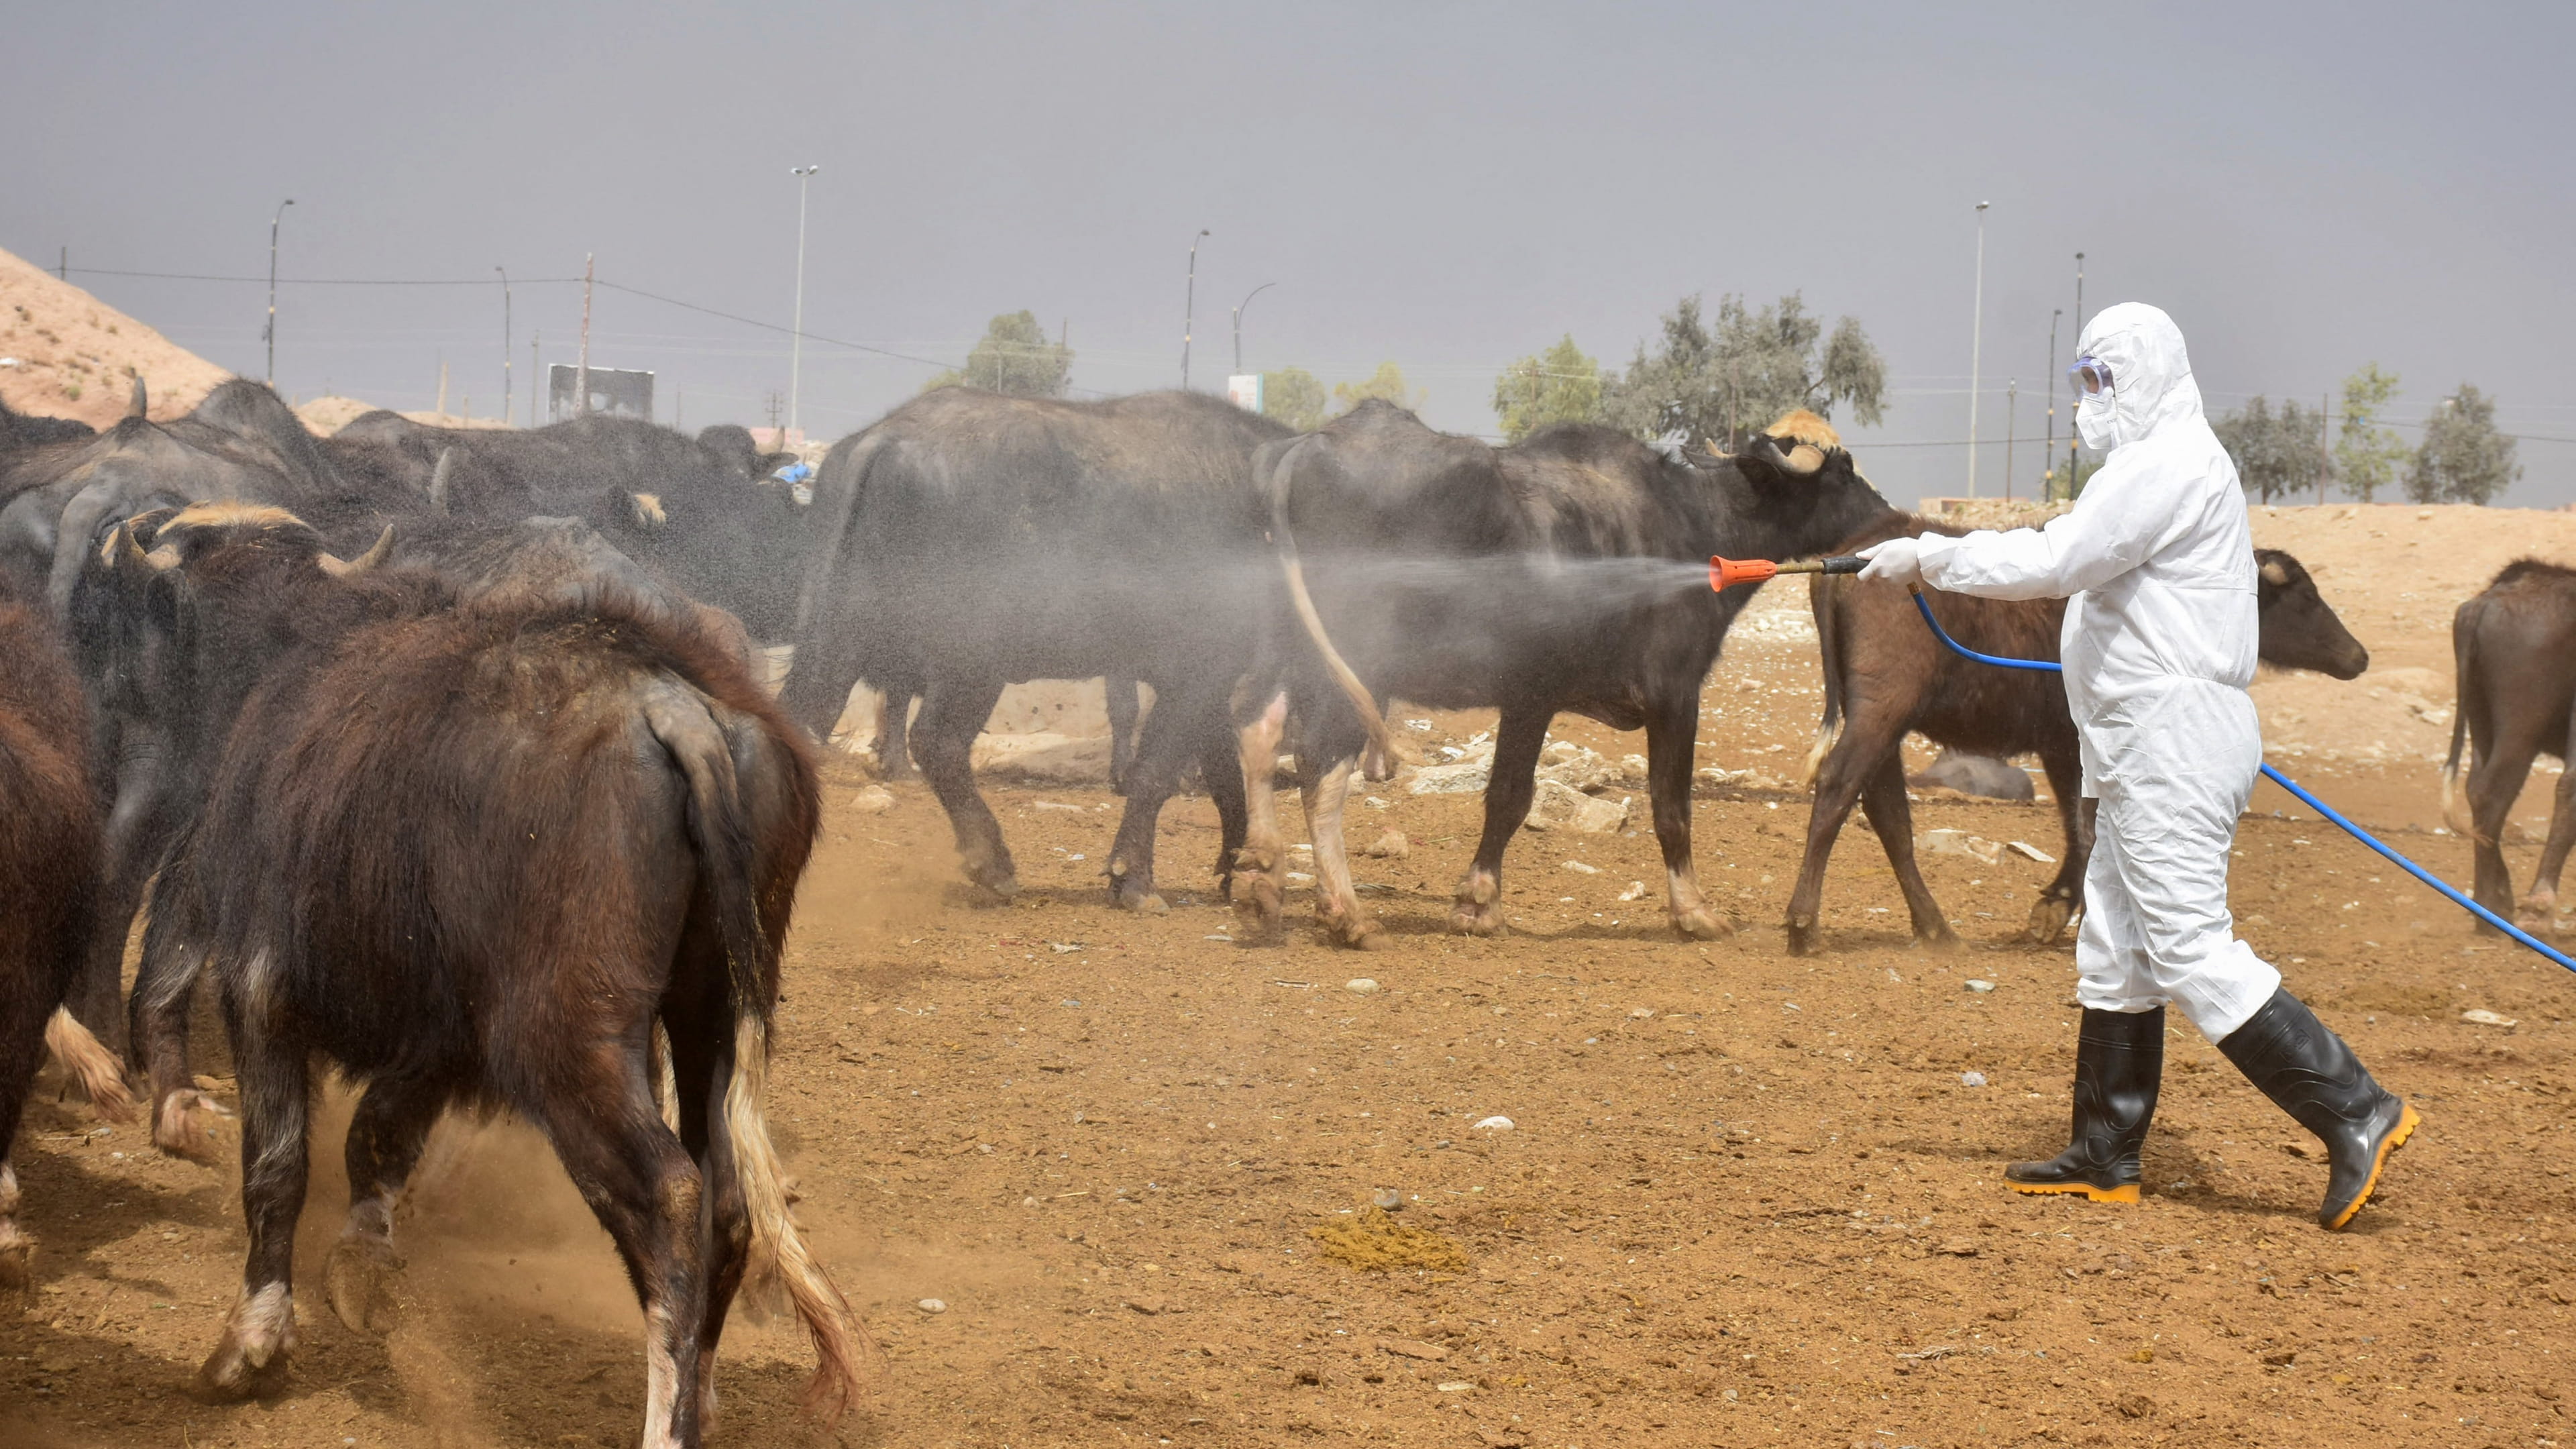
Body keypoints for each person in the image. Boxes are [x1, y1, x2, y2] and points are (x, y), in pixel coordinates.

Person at [1856, 303, 2415, 1230]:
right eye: (2085, 379)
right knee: (2116, 944)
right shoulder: (2154, 466)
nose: (2091, 398)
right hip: (2140, 738)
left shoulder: (2171, 464)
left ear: (2150, 374)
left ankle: (2357, 1107)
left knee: (2190, 944)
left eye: (2105, 378)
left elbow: (2065, 555)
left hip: (2174, 737)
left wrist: (1929, 556)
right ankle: (2106, 1149)